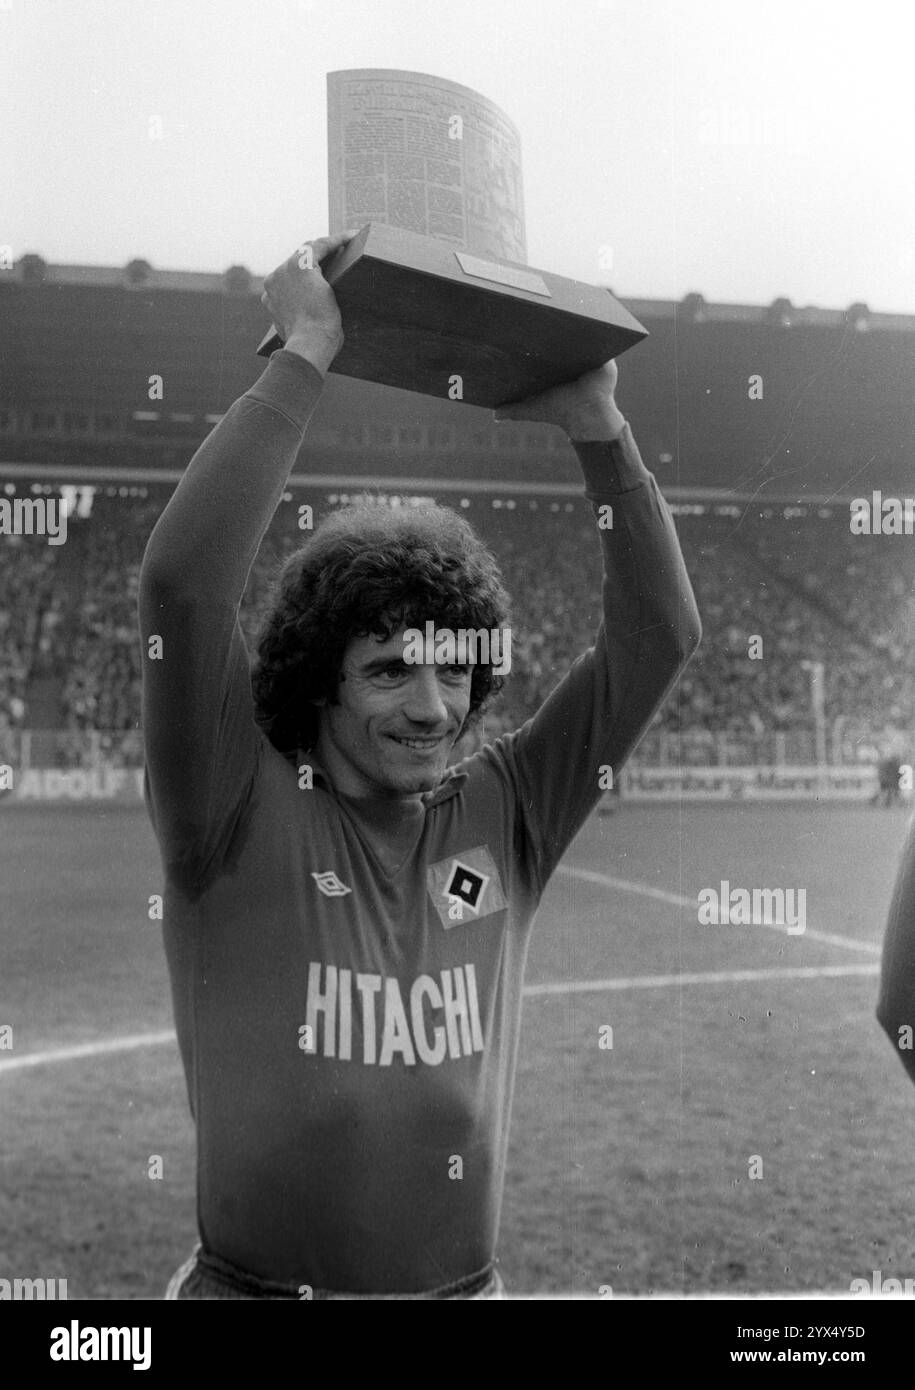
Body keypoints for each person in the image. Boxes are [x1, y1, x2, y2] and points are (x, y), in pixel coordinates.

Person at [140, 231, 702, 1300]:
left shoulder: (508, 811)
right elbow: (181, 585)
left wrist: (602, 431)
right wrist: (305, 352)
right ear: (318, 677)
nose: (435, 706)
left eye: (454, 672)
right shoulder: (231, 802)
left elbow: (660, 637)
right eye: (391, 670)